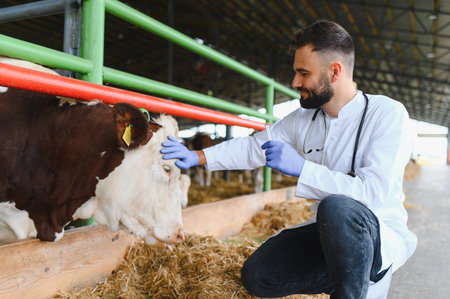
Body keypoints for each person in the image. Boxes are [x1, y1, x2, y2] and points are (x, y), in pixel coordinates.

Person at [160, 20, 416, 299]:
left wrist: (303, 168)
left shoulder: (386, 114)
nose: (295, 83)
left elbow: (372, 193)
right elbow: (253, 147)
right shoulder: (304, 119)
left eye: (303, 73)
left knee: (338, 208)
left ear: (334, 71)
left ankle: (355, 285)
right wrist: (197, 156)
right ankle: (338, 275)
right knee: (258, 275)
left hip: (376, 239)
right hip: (327, 233)